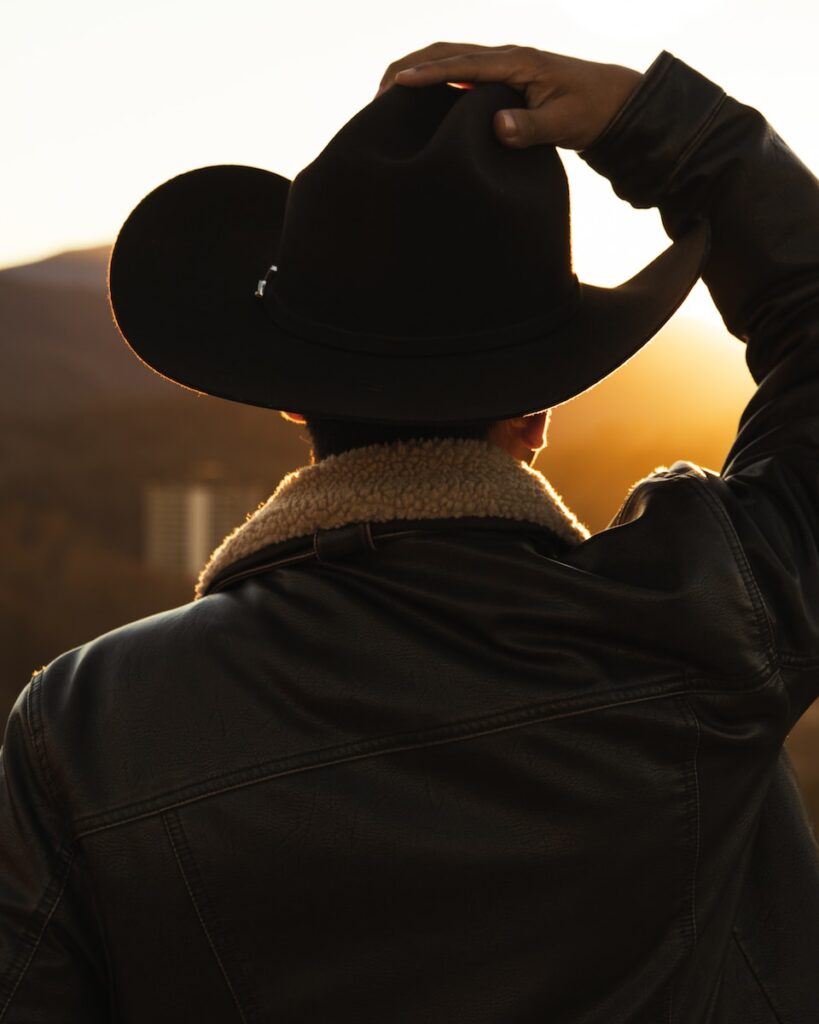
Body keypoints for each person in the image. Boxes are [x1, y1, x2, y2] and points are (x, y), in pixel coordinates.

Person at [0, 41, 817, 1022]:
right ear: (538, 415)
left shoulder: (85, 726)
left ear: (293, 404)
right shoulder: (711, 615)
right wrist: (671, 129)